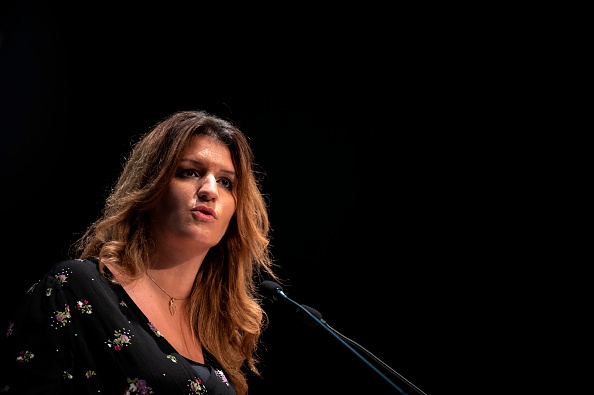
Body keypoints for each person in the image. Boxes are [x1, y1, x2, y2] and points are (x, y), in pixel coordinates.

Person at [0, 109, 281, 395]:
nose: (210, 190)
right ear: (152, 186)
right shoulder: (75, 287)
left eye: (226, 182)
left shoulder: (219, 329)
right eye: (190, 172)